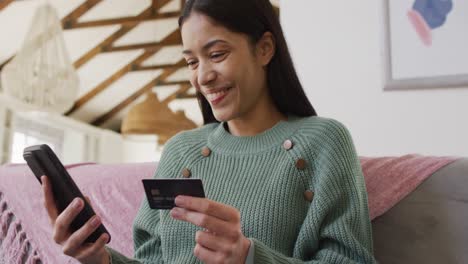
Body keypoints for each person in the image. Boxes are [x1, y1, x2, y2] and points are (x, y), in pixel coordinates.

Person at [41, 0, 378, 263]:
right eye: (191, 62)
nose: (202, 77)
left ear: (264, 49)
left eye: (216, 54)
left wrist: (249, 256)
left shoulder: (323, 142)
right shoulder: (181, 150)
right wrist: (97, 258)